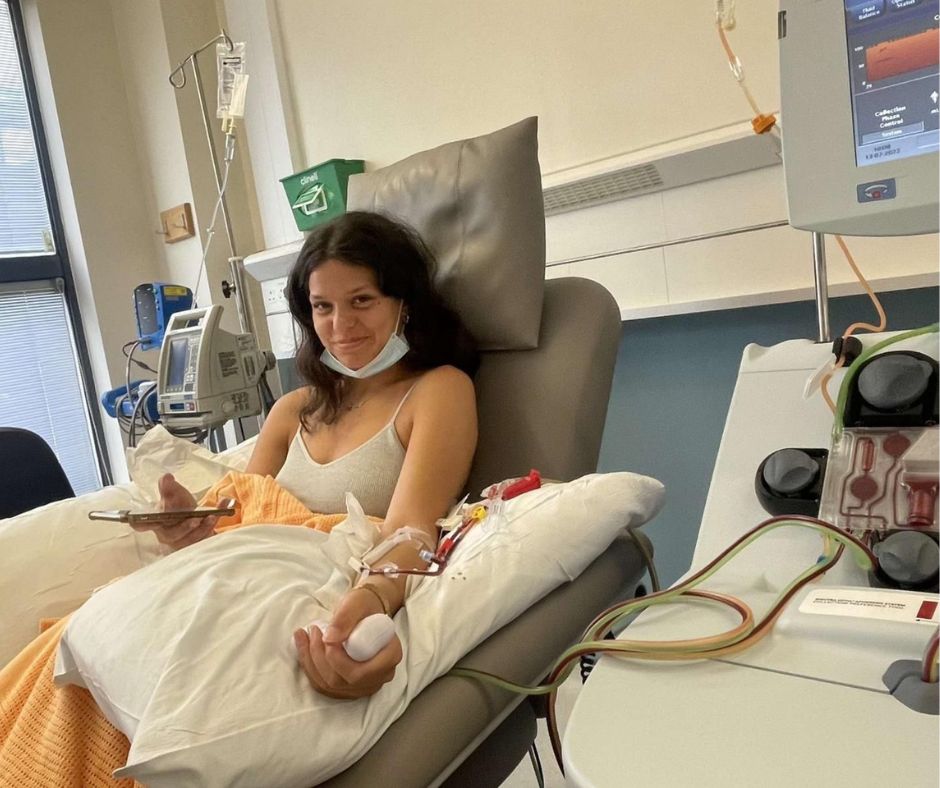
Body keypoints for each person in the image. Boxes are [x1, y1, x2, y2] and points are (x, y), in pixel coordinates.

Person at [149, 210, 479, 700]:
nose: (340, 325)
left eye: (361, 301)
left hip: (309, 609)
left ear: (404, 304)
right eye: (322, 307)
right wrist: (188, 528)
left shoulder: (437, 392)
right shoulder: (291, 411)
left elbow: (411, 530)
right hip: (238, 592)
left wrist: (370, 599)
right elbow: (237, 528)